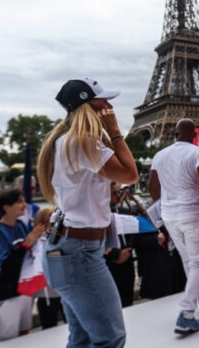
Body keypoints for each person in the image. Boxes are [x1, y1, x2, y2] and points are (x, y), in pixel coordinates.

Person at [37, 78, 139, 348]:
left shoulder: (63, 141)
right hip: (80, 252)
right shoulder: (85, 143)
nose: (108, 105)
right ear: (87, 106)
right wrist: (115, 131)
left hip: (65, 247)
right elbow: (130, 174)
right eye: (102, 100)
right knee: (110, 337)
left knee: (81, 338)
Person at [150, 118, 199, 335]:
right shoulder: (196, 152)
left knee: (188, 259)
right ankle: (186, 313)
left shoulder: (159, 155)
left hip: (169, 215)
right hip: (190, 211)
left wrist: (167, 204)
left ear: (175, 134)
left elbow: (152, 187)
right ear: (194, 135)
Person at [0, 189, 46, 342]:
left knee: (24, 333)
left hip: (24, 290)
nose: (25, 204)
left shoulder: (20, 225)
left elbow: (31, 254)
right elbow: (1, 268)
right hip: (6, 294)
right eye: (20, 201)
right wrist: (26, 244)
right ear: (6, 207)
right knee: (7, 338)